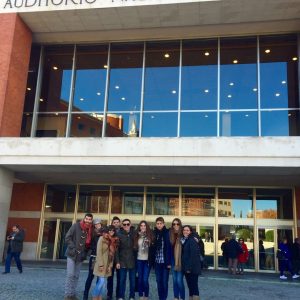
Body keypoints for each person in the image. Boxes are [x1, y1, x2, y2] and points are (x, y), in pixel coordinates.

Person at [64, 213, 93, 300]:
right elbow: (67, 237)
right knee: (70, 274)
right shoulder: (76, 226)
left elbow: (90, 244)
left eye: (89, 219)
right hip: (71, 254)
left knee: (76, 275)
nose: (88, 220)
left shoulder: (91, 230)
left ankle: (72, 294)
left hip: (80, 256)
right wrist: (73, 248)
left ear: (91, 220)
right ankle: (67, 295)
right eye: (86, 218)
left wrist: (86, 253)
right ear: (84, 219)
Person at [92, 225, 118, 300]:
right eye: (110, 230)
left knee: (102, 283)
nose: (111, 232)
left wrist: (110, 266)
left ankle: (99, 297)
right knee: (101, 282)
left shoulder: (113, 241)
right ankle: (94, 297)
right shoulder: (101, 238)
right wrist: (100, 265)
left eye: (113, 230)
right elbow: (99, 252)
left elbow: (112, 255)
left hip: (107, 265)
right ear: (107, 231)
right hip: (101, 263)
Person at [115, 218, 136, 300]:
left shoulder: (134, 234)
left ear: (130, 225)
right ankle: (121, 297)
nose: (126, 226)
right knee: (122, 281)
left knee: (132, 281)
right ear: (122, 226)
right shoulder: (119, 234)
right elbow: (116, 249)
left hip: (132, 261)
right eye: (124, 224)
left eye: (128, 224)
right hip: (122, 260)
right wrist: (117, 262)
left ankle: (132, 296)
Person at [83, 218, 103, 300]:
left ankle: (97, 296)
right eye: (96, 224)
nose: (98, 225)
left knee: (100, 278)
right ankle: (85, 294)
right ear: (94, 225)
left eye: (99, 223)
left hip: (101, 259)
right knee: (90, 276)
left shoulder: (104, 233)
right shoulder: (91, 233)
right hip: (94, 258)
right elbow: (89, 245)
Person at [152, 217, 171, 300]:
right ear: (156, 224)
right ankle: (161, 298)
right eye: (158, 224)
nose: (159, 225)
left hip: (165, 262)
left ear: (163, 224)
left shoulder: (168, 233)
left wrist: (169, 262)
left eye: (160, 223)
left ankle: (164, 298)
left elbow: (169, 248)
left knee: (164, 282)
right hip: (157, 262)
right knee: (158, 281)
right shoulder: (154, 233)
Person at [134, 220, 153, 300]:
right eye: (141, 225)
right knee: (140, 279)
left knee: (145, 279)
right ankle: (141, 295)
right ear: (139, 227)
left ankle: (146, 295)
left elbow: (153, 248)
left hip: (147, 261)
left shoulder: (150, 236)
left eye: (144, 226)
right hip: (139, 260)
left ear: (146, 227)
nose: (143, 227)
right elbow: (134, 248)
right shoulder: (136, 236)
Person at [181, 225, 201, 300]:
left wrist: (189, 268)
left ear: (190, 231)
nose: (185, 231)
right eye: (184, 230)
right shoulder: (186, 240)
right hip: (188, 268)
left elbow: (193, 255)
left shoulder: (192, 240)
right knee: (190, 286)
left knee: (193, 286)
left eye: (187, 230)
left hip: (192, 269)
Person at [169, 218, 185, 300]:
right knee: (174, 280)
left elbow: (193, 234)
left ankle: (182, 297)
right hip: (172, 260)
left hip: (180, 261)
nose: (175, 225)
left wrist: (196, 238)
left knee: (179, 281)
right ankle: (176, 297)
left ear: (180, 224)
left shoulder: (183, 233)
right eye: (174, 224)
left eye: (177, 224)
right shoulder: (170, 234)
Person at [107, 216, 121, 300]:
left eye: (117, 222)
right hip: (111, 258)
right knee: (110, 277)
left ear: (119, 223)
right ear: (112, 223)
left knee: (119, 278)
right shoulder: (109, 233)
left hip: (119, 259)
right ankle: (109, 294)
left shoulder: (122, 232)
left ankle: (118, 295)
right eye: (114, 222)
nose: (116, 224)